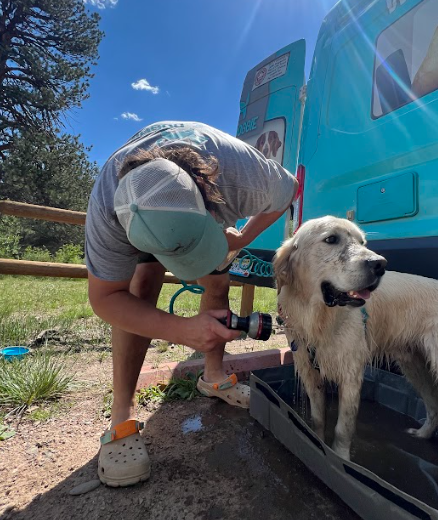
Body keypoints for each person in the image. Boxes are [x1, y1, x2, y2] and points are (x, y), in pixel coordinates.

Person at [85, 120, 298, 487]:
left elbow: (291, 188)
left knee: (217, 277)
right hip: (139, 218)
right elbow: (106, 299)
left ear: (206, 193)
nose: (185, 270)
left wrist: (243, 236)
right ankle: (121, 415)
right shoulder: (107, 210)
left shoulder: (241, 174)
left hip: (210, 185)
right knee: (142, 284)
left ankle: (213, 378)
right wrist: (185, 331)